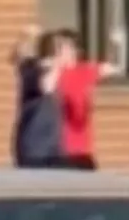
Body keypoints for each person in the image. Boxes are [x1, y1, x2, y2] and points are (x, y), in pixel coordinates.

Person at [53, 28, 125, 169]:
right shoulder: (53, 75)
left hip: (82, 151)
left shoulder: (85, 71)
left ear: (75, 50)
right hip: (58, 151)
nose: (60, 52)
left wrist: (118, 46)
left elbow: (116, 67)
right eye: (58, 48)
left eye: (64, 47)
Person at [11, 29, 63, 168]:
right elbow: (46, 87)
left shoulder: (47, 68)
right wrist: (26, 36)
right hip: (35, 146)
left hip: (52, 146)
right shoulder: (32, 68)